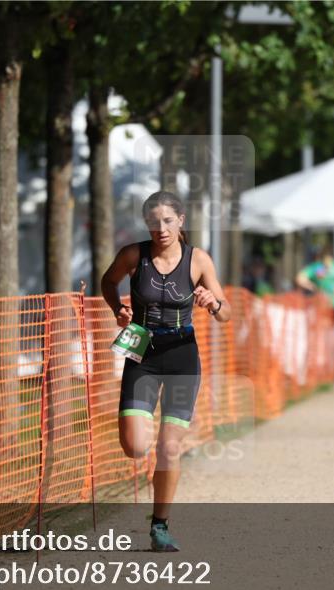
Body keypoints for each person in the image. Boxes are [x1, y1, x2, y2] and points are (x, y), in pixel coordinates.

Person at [100, 191, 231, 552]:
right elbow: (107, 282)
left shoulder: (198, 260)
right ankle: (147, 460)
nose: (161, 229)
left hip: (181, 356)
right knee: (135, 446)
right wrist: (118, 310)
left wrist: (213, 302)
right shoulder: (133, 255)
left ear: (181, 221)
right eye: (154, 222)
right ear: (147, 224)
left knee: (168, 447)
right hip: (141, 350)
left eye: (168, 221)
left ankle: (160, 526)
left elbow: (226, 313)